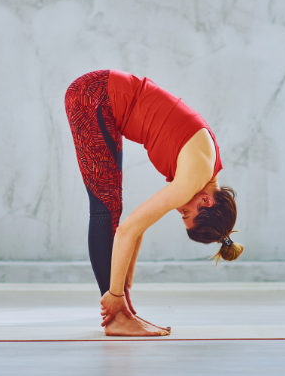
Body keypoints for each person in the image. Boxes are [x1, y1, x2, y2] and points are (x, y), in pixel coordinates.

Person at [64, 69, 243, 336]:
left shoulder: (207, 165)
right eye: (185, 214)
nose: (179, 209)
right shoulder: (191, 182)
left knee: (111, 206)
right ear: (206, 201)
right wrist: (114, 293)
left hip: (103, 98)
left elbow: (139, 228)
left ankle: (122, 313)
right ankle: (116, 319)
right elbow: (127, 230)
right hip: (94, 96)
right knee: (105, 209)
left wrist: (125, 289)